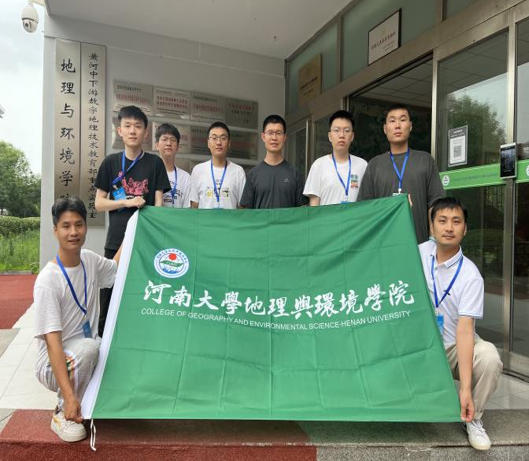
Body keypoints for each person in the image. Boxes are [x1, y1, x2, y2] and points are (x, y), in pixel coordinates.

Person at [34, 197, 122, 442]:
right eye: (66, 226)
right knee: (90, 347)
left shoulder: (90, 260)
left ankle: (92, 402)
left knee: (112, 348)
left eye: (79, 224)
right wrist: (69, 396)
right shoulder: (48, 281)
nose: (73, 232)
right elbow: (52, 343)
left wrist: (134, 227)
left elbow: (116, 268)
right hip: (52, 364)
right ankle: (64, 411)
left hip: (85, 352)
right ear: (55, 230)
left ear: (85, 227)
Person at [419, 197, 503, 451]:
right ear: (431, 226)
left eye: (456, 222)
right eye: (442, 220)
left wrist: (465, 389)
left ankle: (472, 417)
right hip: (419, 347)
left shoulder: (470, 276)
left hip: (452, 348)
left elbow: (465, 332)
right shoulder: (418, 253)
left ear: (465, 229)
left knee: (489, 357)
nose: (449, 227)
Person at [95, 105, 170, 335]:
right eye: (127, 126)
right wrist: (125, 203)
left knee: (142, 293)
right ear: (120, 131)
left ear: (146, 133)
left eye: (138, 126)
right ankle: (104, 342)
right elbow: (99, 203)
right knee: (109, 295)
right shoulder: (110, 162)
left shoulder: (155, 164)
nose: (132, 131)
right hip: (115, 241)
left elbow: (159, 205)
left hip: (144, 242)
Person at [358, 103, 445, 243]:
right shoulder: (374, 165)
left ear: (410, 126)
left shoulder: (425, 160)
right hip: (384, 245)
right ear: (385, 128)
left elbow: (435, 205)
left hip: (419, 245)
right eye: (392, 121)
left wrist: (432, 241)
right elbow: (365, 210)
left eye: (403, 120)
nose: (397, 125)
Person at [240, 114, 307, 209]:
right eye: (270, 133)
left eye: (278, 133)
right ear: (263, 137)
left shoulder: (295, 174)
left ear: (284, 137)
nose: (274, 138)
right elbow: (246, 211)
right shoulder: (253, 174)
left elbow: (302, 210)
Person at [304, 110, 367, 205]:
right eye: (337, 130)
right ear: (330, 136)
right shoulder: (319, 165)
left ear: (352, 136)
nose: (341, 135)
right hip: (327, 215)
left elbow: (368, 201)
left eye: (347, 131)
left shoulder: (362, 165)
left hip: (355, 215)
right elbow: (314, 204)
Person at [190, 121, 246, 209]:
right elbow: (194, 205)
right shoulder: (198, 170)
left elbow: (242, 208)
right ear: (208, 143)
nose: (219, 142)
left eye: (223, 138)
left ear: (229, 143)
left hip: (230, 218)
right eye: (214, 138)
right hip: (205, 219)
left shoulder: (238, 171)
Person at [154, 123, 191, 208]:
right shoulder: (150, 174)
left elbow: (187, 210)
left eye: (173, 140)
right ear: (157, 145)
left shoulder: (185, 178)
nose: (169, 143)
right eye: (164, 139)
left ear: (177, 147)